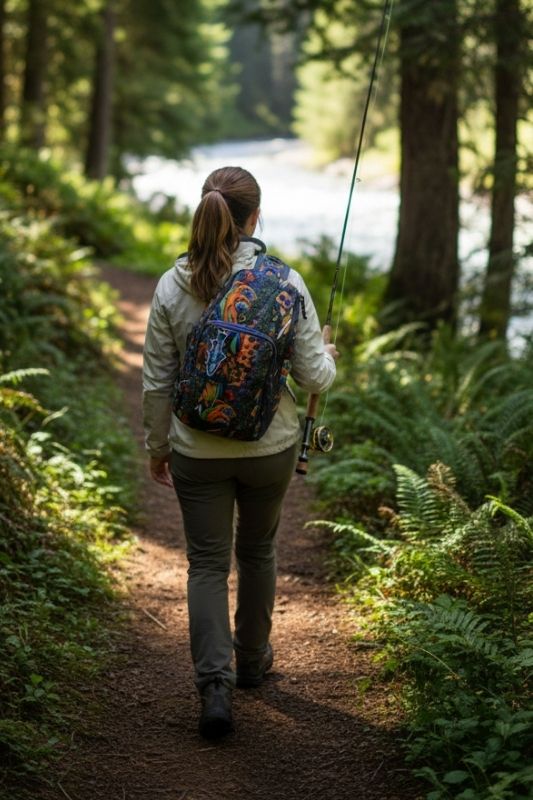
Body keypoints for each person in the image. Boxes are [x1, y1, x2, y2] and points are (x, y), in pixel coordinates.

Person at [142, 166, 338, 740]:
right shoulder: (285, 281)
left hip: (195, 451)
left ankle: (215, 685)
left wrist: (158, 447)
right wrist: (330, 354)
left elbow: (157, 382)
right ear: (255, 215)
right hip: (269, 445)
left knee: (206, 564)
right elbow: (314, 374)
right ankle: (252, 662)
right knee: (257, 551)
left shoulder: (171, 284)